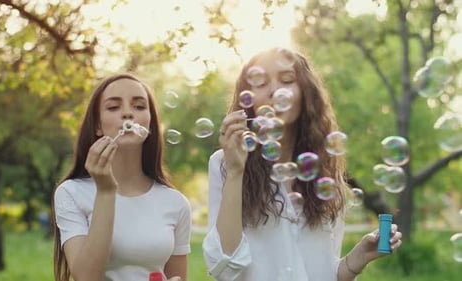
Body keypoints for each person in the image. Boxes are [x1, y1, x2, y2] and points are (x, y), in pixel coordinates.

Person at [202, 47, 402, 281]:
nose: (275, 91)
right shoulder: (224, 164)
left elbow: (322, 271)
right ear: (249, 98)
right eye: (260, 82)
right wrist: (236, 172)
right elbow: (224, 268)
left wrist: (354, 262)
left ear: (306, 92)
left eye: (286, 80)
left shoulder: (326, 170)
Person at [52, 73, 191, 281]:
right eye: (113, 107)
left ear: (150, 124)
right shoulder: (71, 192)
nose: (127, 113)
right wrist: (106, 190)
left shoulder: (175, 202)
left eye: (139, 106)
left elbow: (178, 278)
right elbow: (86, 276)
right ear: (98, 126)